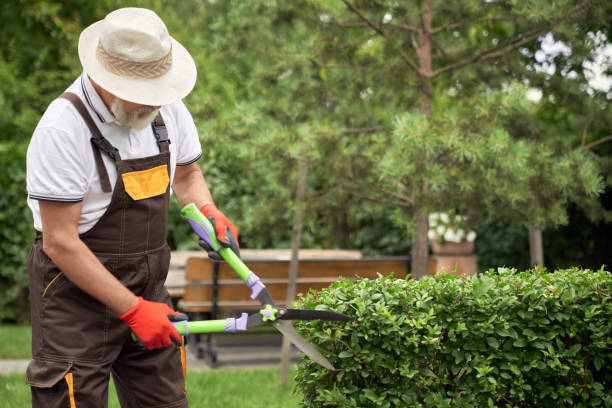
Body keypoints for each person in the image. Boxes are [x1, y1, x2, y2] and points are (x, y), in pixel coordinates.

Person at [24, 7, 238, 407]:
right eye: (144, 95)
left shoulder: (165, 106)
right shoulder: (62, 129)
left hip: (149, 286)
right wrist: (133, 311)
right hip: (74, 299)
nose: (154, 105)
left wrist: (208, 211)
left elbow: (188, 175)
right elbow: (59, 241)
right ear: (106, 79)